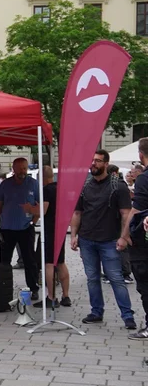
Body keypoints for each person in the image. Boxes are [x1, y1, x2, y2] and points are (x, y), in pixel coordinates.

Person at [70, 150, 136, 329]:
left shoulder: (118, 186)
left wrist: (123, 237)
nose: (94, 164)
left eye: (98, 161)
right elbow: (77, 213)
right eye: (92, 160)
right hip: (87, 240)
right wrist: (74, 235)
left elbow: (125, 214)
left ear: (106, 164)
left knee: (116, 278)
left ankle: (127, 315)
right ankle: (96, 311)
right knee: (92, 278)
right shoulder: (85, 186)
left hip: (109, 241)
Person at [0, 158, 41, 300]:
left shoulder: (33, 184)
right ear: (14, 169)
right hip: (7, 228)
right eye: (19, 169)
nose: (22, 171)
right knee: (4, 261)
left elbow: (39, 206)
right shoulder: (5, 184)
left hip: (25, 228)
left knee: (29, 260)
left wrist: (33, 221)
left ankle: (33, 287)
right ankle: (4, 286)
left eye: (24, 168)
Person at [26, 166, 71, 308]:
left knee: (49, 264)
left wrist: (30, 209)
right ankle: (66, 296)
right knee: (61, 262)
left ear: (42, 178)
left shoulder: (46, 190)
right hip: (61, 228)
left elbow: (43, 211)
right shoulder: (61, 188)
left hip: (49, 230)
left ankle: (51, 297)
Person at [130, 138, 148, 340]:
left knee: (144, 283)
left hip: (143, 243)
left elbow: (136, 210)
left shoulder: (144, 178)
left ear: (140, 155)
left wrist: (125, 234)